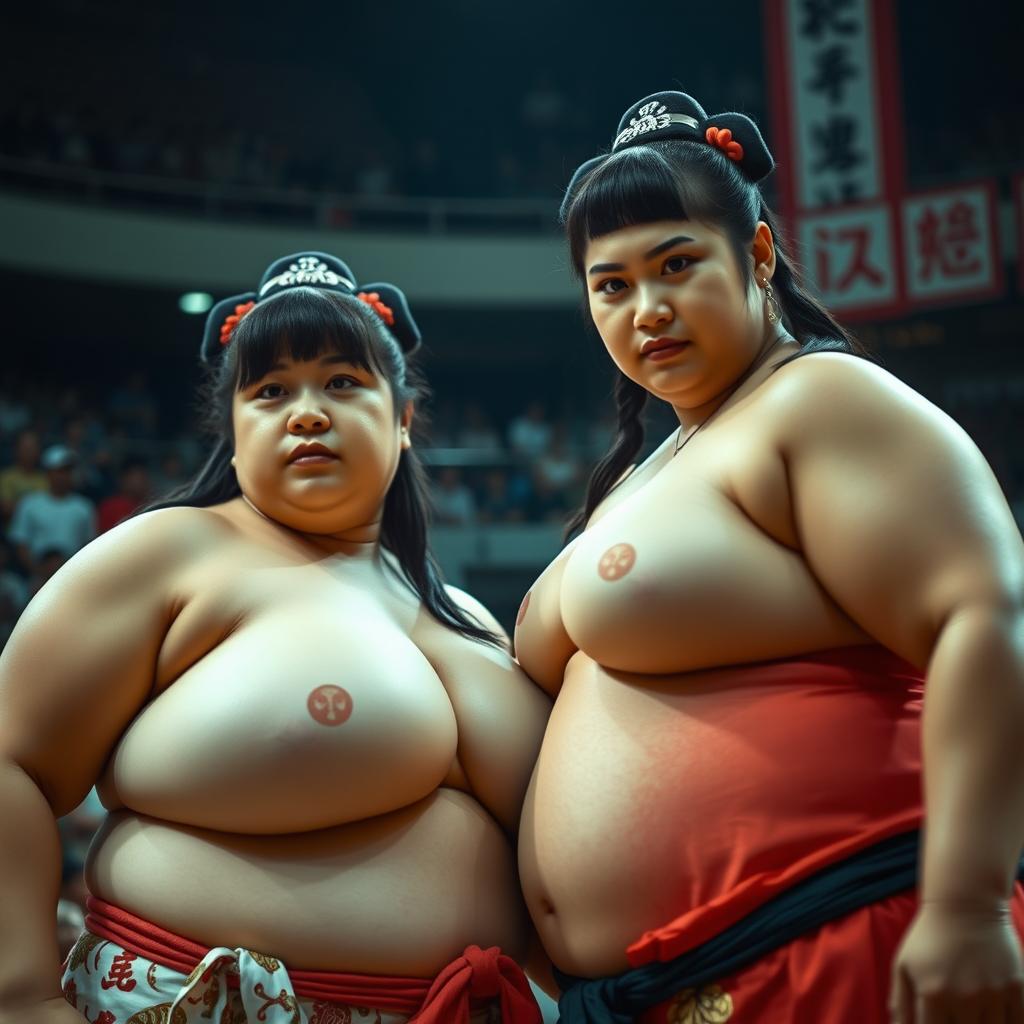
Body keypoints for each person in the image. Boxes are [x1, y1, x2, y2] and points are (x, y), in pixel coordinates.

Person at [513, 92, 1024, 1023]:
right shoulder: (648, 467)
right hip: (654, 986)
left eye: (677, 265)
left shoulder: (819, 398)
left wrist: (968, 903)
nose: (647, 308)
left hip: (839, 933)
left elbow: (982, 616)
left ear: (754, 254)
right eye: (612, 284)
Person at [0, 251, 550, 1024]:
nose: (307, 412)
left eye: (342, 382)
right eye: (270, 392)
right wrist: (19, 995)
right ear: (232, 428)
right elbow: (10, 756)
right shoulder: (171, 552)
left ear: (403, 420)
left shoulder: (465, 613)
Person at [7, 445, 95, 575]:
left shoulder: (84, 507)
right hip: (35, 577)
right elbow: (21, 544)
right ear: (48, 472)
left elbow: (88, 546)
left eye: (67, 470)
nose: (63, 475)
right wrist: (37, 572)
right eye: (58, 470)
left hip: (72, 576)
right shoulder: (30, 503)